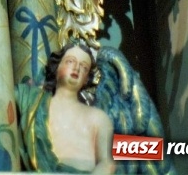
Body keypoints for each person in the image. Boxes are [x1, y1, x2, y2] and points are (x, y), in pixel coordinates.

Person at [17, 43, 115, 173]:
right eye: (70, 61)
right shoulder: (33, 102)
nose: (77, 68)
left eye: (84, 67)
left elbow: (107, 162)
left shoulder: (98, 117)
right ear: (56, 67)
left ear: (86, 79)